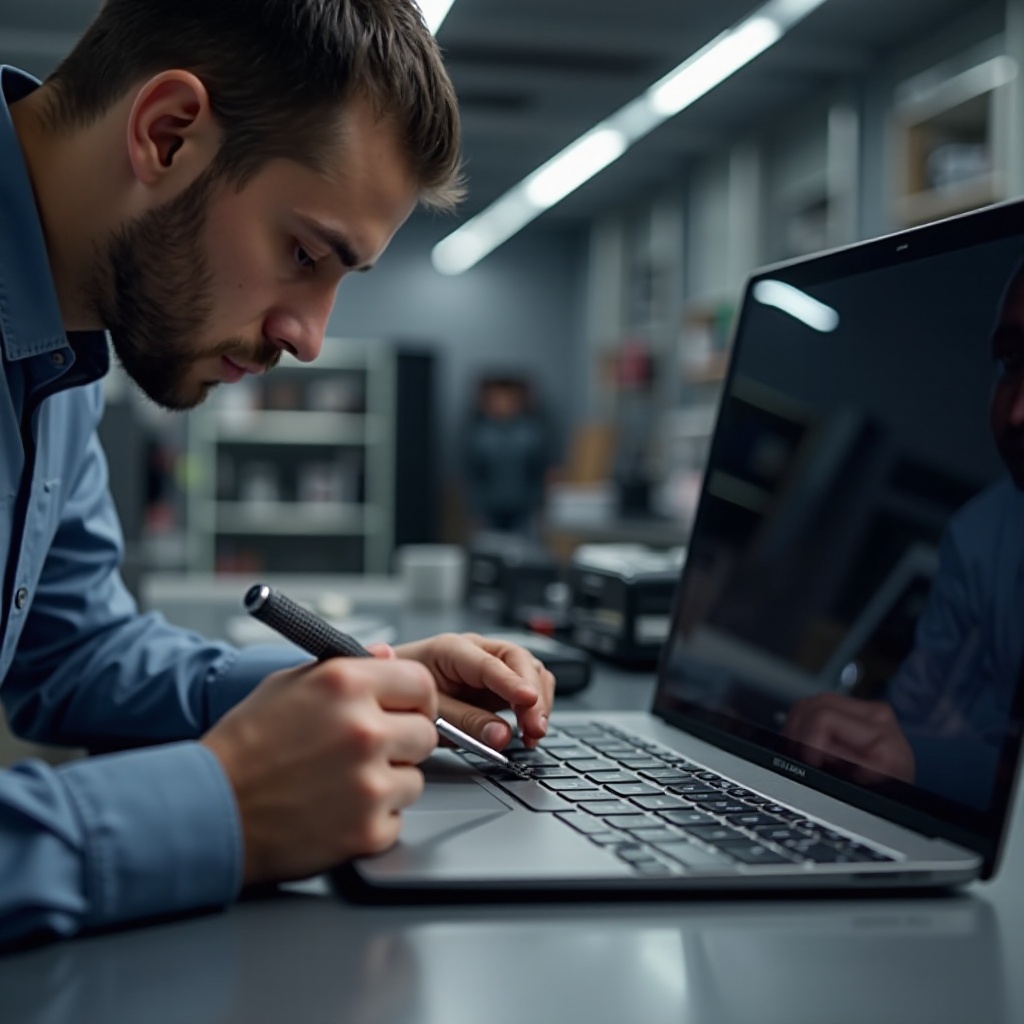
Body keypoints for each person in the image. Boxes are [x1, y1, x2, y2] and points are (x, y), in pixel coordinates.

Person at [0, 0, 553, 947]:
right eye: (303, 253)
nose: (309, 337)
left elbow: (73, 655)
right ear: (168, 134)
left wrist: (354, 685)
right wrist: (219, 806)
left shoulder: (65, 344)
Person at [783, 259, 1024, 809]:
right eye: (1011, 362)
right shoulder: (980, 532)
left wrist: (933, 761)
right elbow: (916, 716)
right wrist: (868, 740)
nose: (1017, 412)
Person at [462, 375, 551, 535]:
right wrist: (475, 510)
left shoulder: (532, 434)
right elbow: (473, 477)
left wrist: (540, 507)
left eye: (508, 399)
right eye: (498, 399)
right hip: (489, 509)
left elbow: (540, 473)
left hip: (524, 508)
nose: (503, 404)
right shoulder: (479, 435)